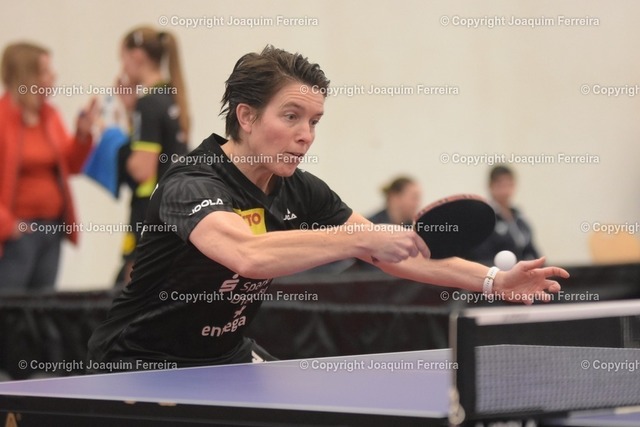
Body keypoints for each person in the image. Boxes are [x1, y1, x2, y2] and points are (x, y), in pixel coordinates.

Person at [87, 46, 568, 370]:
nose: (306, 136)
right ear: (246, 116)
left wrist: (493, 280)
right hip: (139, 360)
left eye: (314, 121)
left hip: (223, 356)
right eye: (291, 117)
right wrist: (357, 238)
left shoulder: (301, 190)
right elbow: (247, 254)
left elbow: (392, 253)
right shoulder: (190, 183)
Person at [0, 42, 97, 291]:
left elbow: (70, 166)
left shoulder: (49, 115)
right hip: (16, 233)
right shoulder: (3, 118)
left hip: (51, 229)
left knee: (43, 306)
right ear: (26, 76)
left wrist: (82, 135)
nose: (53, 76)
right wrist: (8, 226)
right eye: (45, 71)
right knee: (10, 309)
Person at [116, 26, 189, 285]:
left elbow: (142, 169)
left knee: (133, 286)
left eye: (123, 59)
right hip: (173, 207)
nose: (122, 69)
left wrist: (111, 144)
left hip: (149, 209)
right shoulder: (170, 96)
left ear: (137, 56)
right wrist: (129, 112)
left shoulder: (147, 103)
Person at [469, 165, 541, 265]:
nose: (505, 191)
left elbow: (532, 251)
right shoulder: (483, 218)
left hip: (523, 272)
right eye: (501, 185)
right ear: (491, 186)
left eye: (509, 184)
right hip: (497, 272)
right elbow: (480, 256)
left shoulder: (519, 218)